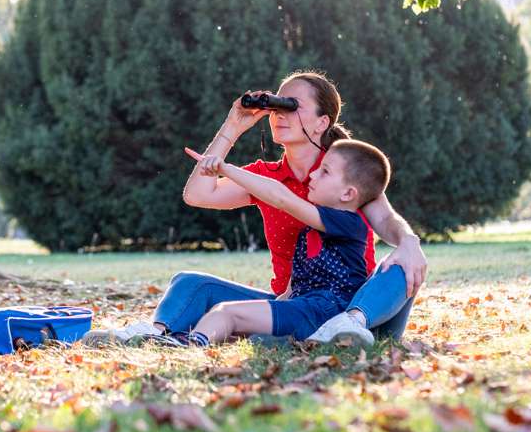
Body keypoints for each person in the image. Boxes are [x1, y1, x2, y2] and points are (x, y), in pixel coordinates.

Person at [81, 71, 427, 346]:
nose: (280, 114)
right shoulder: (265, 176)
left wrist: (409, 242)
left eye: (293, 105)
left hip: (347, 302)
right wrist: (232, 126)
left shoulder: (340, 172)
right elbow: (197, 194)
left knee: (397, 263)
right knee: (191, 283)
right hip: (290, 302)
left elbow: (385, 218)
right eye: (277, 105)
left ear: (322, 122)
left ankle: (353, 323)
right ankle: (156, 333)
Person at [166, 139, 389, 347]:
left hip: (329, 311)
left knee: (225, 312)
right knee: (230, 314)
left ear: (348, 194)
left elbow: (280, 196)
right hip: (305, 307)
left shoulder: (348, 223)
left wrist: (224, 169)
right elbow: (296, 285)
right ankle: (191, 336)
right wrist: (268, 310)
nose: (313, 174)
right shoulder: (312, 227)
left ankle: (193, 344)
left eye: (325, 172)